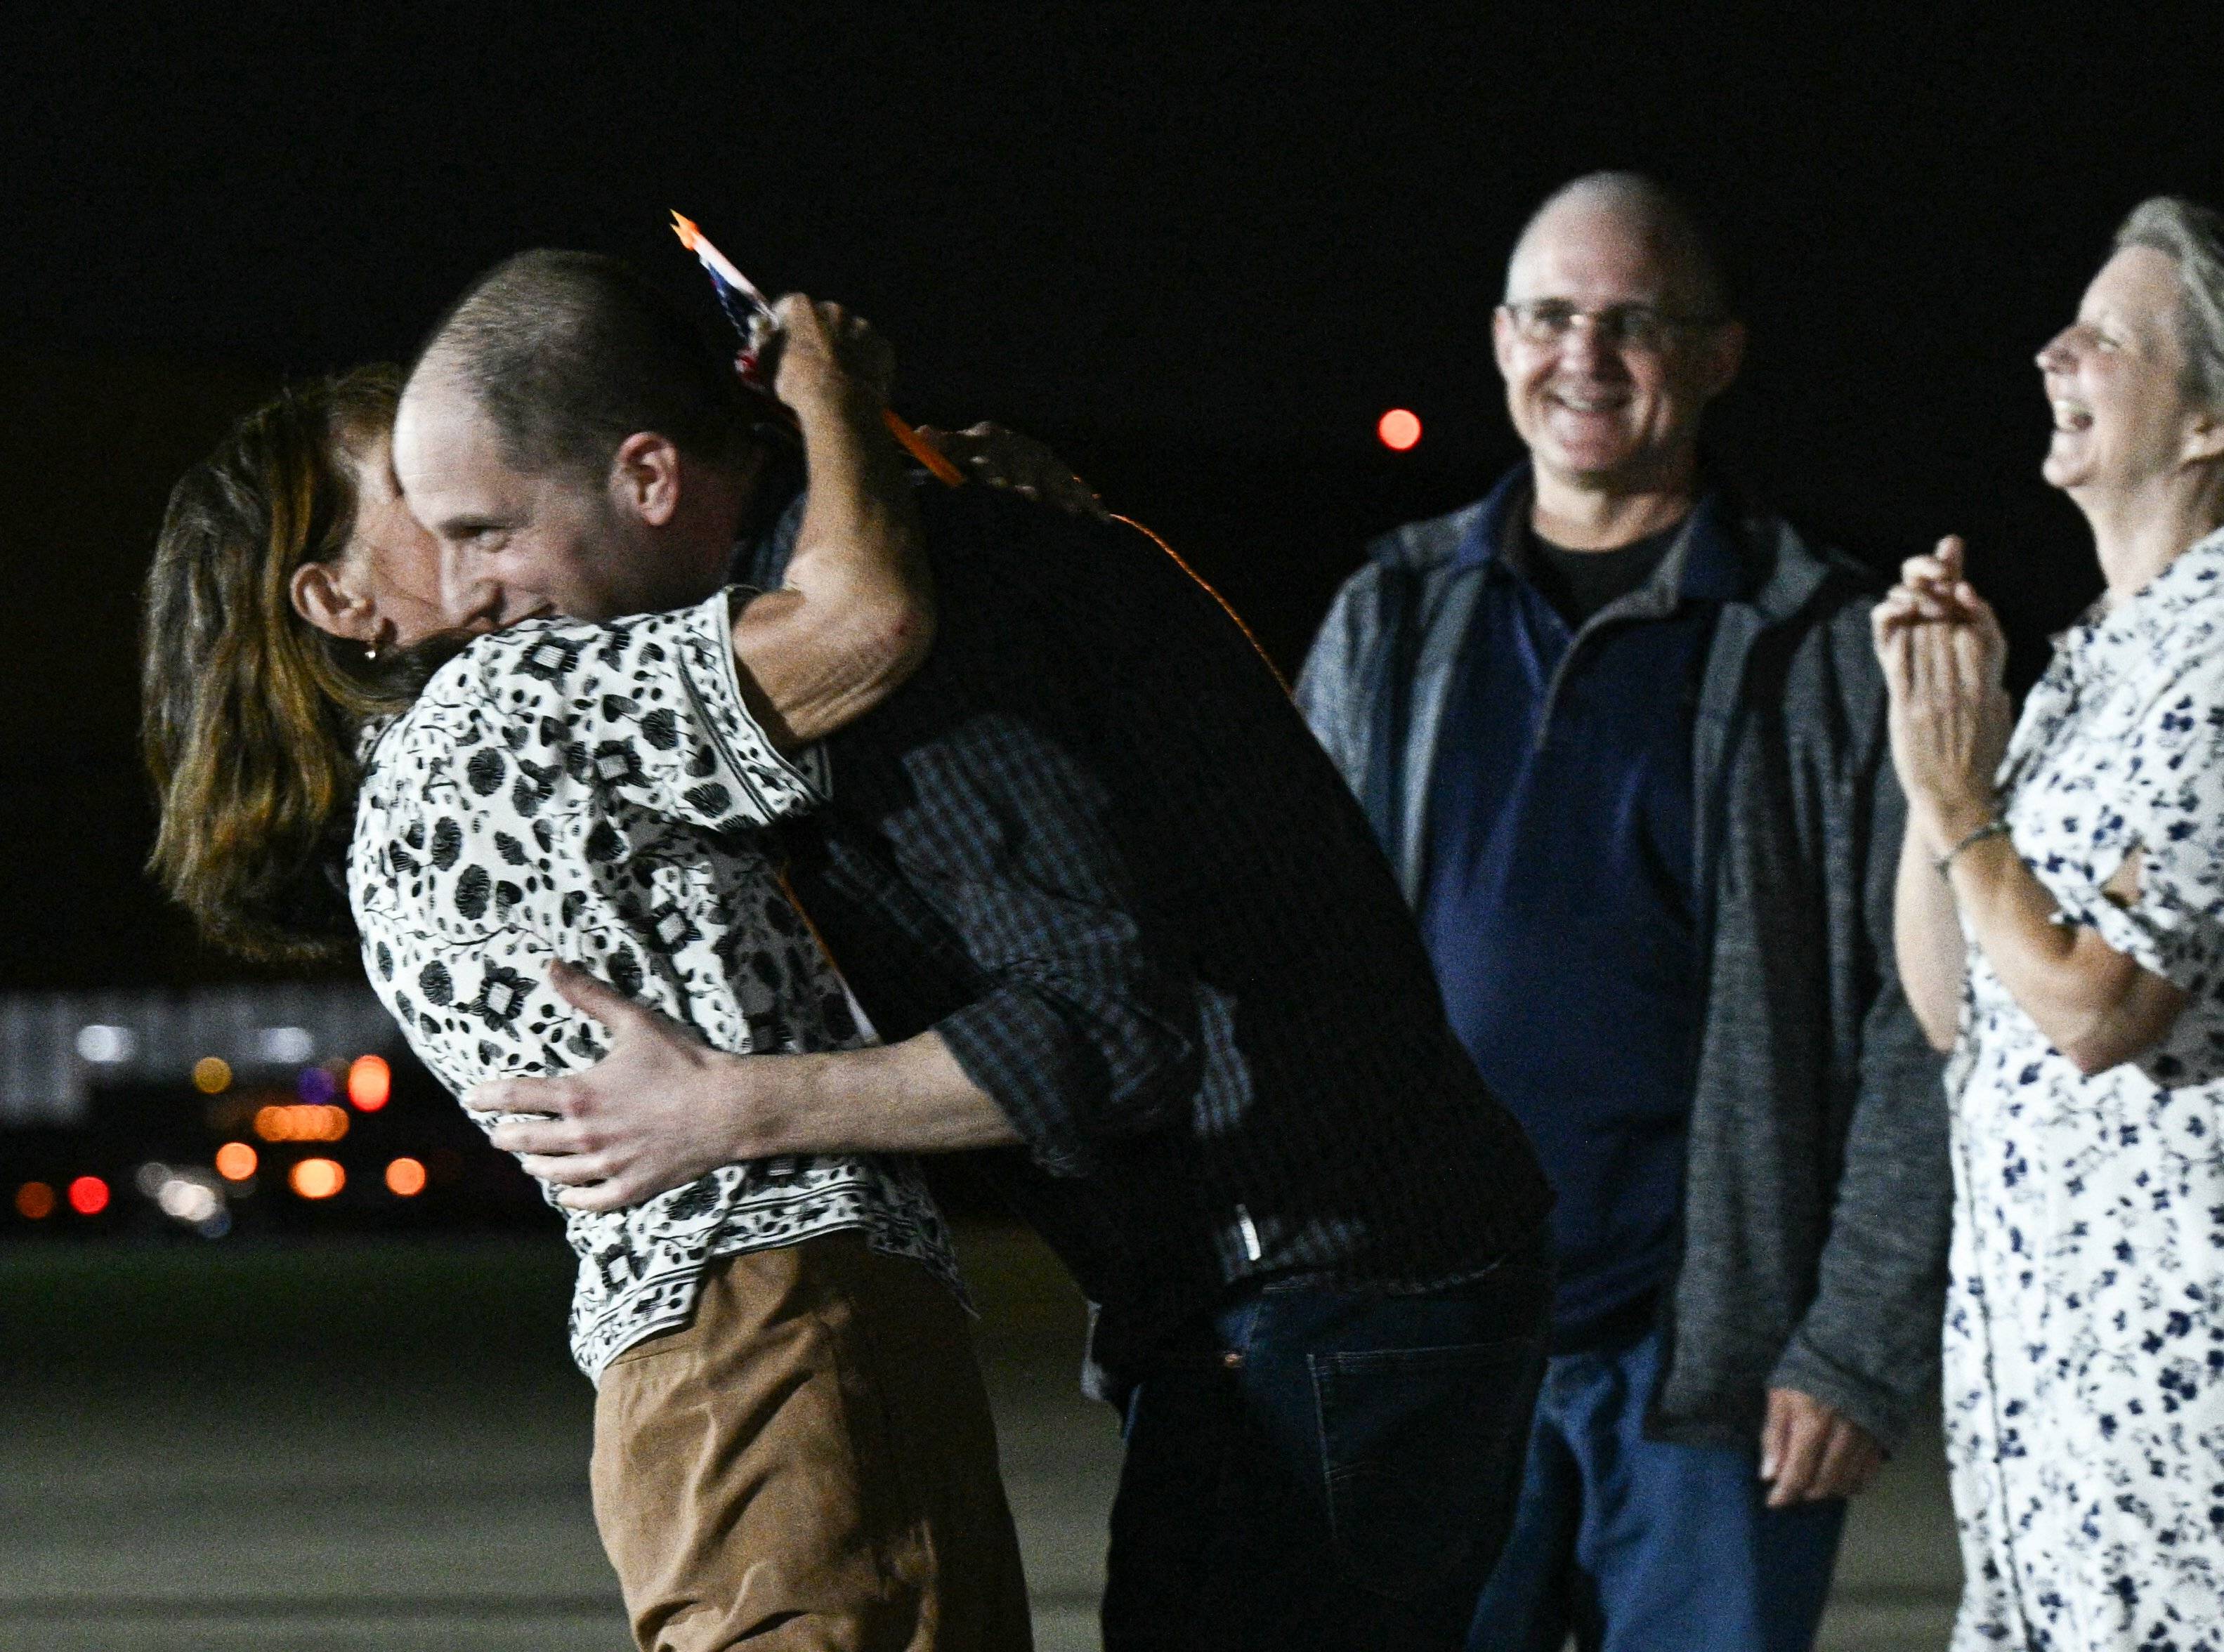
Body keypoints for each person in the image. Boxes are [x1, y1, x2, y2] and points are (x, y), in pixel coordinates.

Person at [407, 249, 1558, 1651]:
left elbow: (1113, 1027)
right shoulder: (889, 560)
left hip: (1325, 1291)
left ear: (649, 478)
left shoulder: (918, 635)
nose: (460, 593)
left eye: (485, 532)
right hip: (1321, 1290)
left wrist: (729, 1106)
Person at [140, 303, 1056, 1651]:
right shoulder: (509, 703)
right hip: (780, 1328)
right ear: (339, 604)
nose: (476, 482)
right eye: (413, 483)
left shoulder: (415, 792)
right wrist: (836, 405)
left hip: (705, 1364)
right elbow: (864, 622)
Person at [1295, 171, 1951, 1652]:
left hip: (1714, 1373)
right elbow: (1288, 972)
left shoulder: (1821, 644)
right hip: (1433, 1345)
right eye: (1551, 315)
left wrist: (1855, 1344)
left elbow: (1924, 1022)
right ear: (1499, 339)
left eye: (1634, 321)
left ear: (1718, 356)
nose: (1583, 357)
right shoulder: (1390, 619)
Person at [1872, 196, 2224, 1651]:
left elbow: (2096, 1010)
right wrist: (1945, 766)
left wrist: (1967, 804)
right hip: (2046, 1347)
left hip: (2177, 1336)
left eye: (2104, 336)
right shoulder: (2103, 664)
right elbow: (1955, 1006)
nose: (2053, 351)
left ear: (2216, 422)